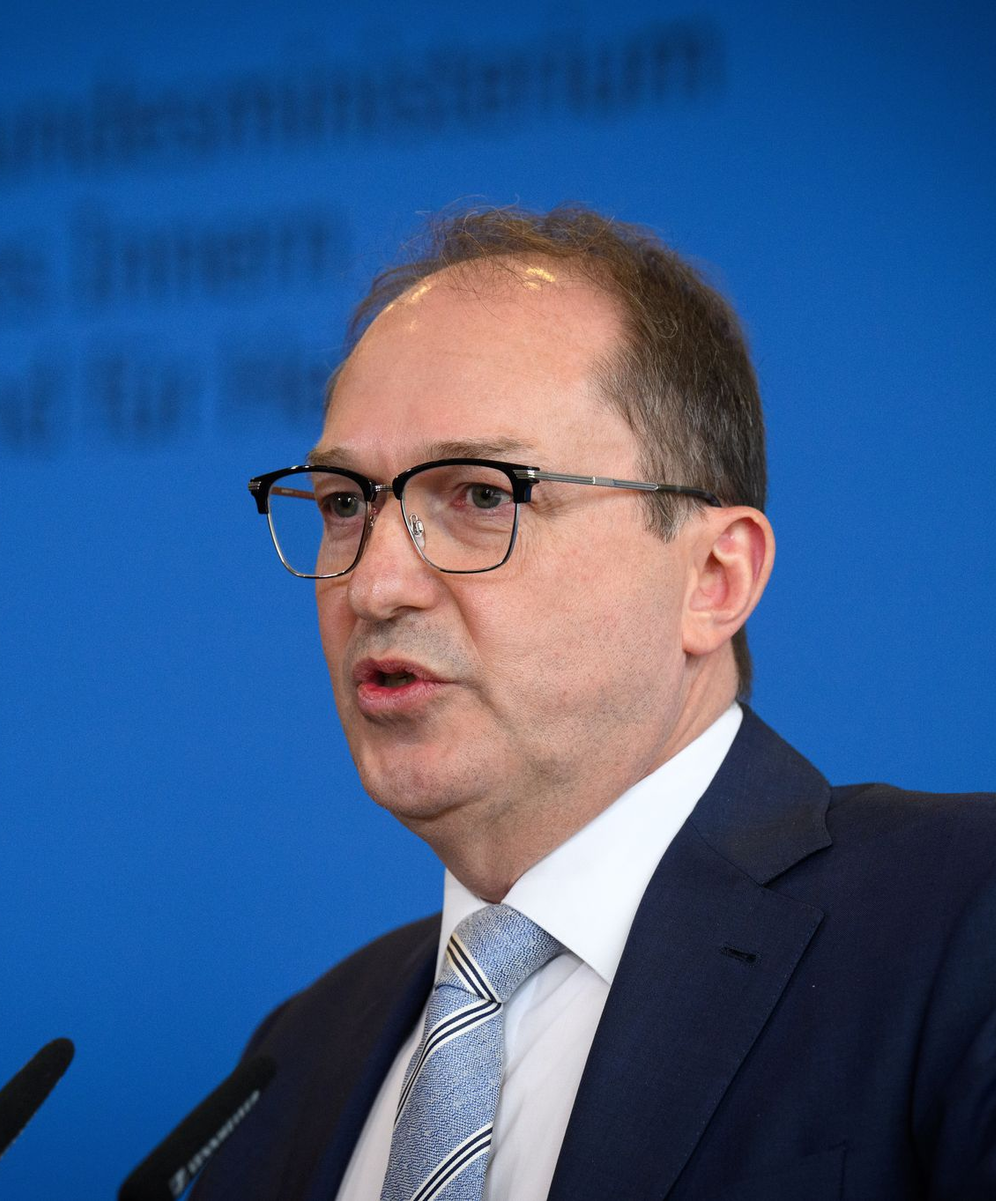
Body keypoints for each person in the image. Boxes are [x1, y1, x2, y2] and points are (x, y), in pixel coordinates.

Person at [197, 207, 996, 1199]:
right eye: (345, 504)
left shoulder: (961, 921)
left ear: (713, 575)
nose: (376, 585)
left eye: (482, 494)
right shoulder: (297, 1058)